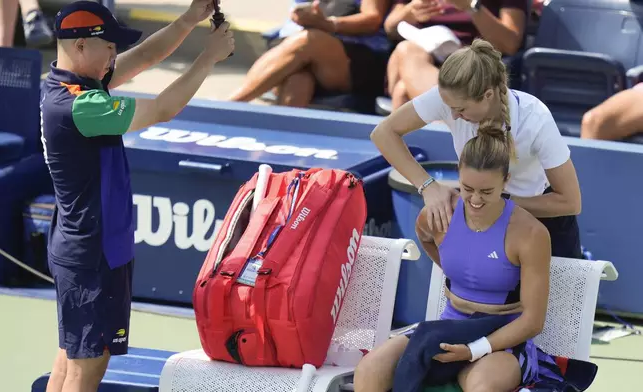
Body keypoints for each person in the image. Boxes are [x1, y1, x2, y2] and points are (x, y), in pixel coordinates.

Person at [40, 1, 234, 391]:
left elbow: (146, 55)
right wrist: (209, 57)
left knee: (71, 358)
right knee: (86, 368)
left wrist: (190, 18)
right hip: (92, 254)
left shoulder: (68, 85)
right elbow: (163, 107)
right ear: (79, 47)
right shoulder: (81, 106)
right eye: (108, 45)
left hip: (89, 247)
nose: (114, 54)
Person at [354, 124, 565, 391]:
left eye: (486, 192)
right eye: (467, 189)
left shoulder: (530, 234)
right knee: (370, 369)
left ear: (506, 180)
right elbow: (428, 239)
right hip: (447, 328)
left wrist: (473, 350)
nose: (475, 200)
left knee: (482, 386)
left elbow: (533, 321)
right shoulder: (438, 217)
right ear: (458, 176)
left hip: (503, 339)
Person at [370, 38, 582, 259]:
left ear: (487, 95)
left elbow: (570, 202)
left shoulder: (536, 119)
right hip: (482, 215)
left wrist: (500, 205)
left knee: (539, 294)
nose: (452, 116)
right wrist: (429, 186)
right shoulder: (449, 99)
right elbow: (383, 133)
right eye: (449, 108)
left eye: (461, 109)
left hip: (543, 223)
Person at [228, 0, 392, 107]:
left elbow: (373, 18)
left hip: (359, 59)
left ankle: (229, 106)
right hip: (303, 52)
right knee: (298, 78)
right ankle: (283, 145)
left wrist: (329, 24)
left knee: (309, 41)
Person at [383, 0, 528, 110]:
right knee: (407, 53)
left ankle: (451, 125)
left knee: (402, 88)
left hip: (471, 65)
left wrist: (471, 7)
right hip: (423, 58)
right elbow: (390, 26)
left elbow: (510, 44)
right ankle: (456, 128)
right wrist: (409, 12)